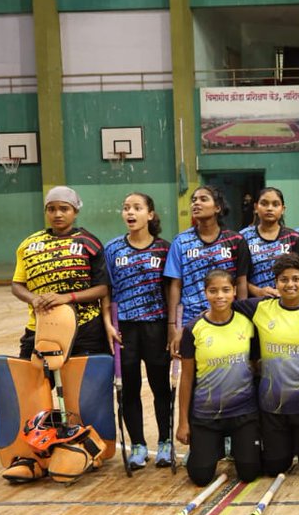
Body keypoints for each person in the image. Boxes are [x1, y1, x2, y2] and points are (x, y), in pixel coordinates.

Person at [235, 253, 299, 477]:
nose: (290, 284)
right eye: (284, 279)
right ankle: (288, 445)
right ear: (276, 283)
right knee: (275, 467)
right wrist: (188, 326)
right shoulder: (260, 308)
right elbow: (224, 309)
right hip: (273, 406)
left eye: (295, 279)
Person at [103, 192, 174, 469]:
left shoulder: (164, 249)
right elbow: (106, 290)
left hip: (156, 327)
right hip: (124, 329)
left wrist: (172, 327)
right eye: (126, 208)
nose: (130, 213)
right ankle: (139, 446)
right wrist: (107, 323)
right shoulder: (112, 249)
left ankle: (166, 443)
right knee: (129, 389)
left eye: (137, 208)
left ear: (150, 214)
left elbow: (171, 290)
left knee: (160, 387)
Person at [176, 269, 261, 486]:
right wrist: (183, 423)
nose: (220, 296)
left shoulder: (247, 323)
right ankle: (207, 448)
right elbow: (186, 379)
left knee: (250, 473)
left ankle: (238, 448)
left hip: (243, 413)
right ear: (205, 293)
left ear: (234, 291)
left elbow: (255, 366)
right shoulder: (194, 329)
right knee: (200, 477)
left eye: (225, 290)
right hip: (206, 415)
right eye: (213, 291)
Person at [11, 185, 109, 359]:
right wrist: (33, 299)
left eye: (64, 209)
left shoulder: (89, 243)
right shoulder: (28, 245)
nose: (57, 214)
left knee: (83, 384)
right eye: (51, 209)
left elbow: (102, 289)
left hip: (85, 328)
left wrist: (68, 297)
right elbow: (17, 285)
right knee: (32, 382)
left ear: (75, 211)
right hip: (40, 326)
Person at [164, 185, 251, 356]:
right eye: (194, 200)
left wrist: (243, 318)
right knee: (193, 371)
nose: (196, 203)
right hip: (191, 318)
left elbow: (241, 282)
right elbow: (175, 285)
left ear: (218, 207)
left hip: (227, 316)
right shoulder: (181, 241)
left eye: (203, 199)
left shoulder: (236, 240)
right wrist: (172, 326)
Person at [240, 186, 299, 299]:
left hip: (287, 303)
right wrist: (257, 291)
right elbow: (238, 277)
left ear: (283, 209)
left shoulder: (293, 238)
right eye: (264, 204)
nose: (269, 208)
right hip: (255, 304)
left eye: (275, 204)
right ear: (255, 207)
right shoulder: (243, 237)